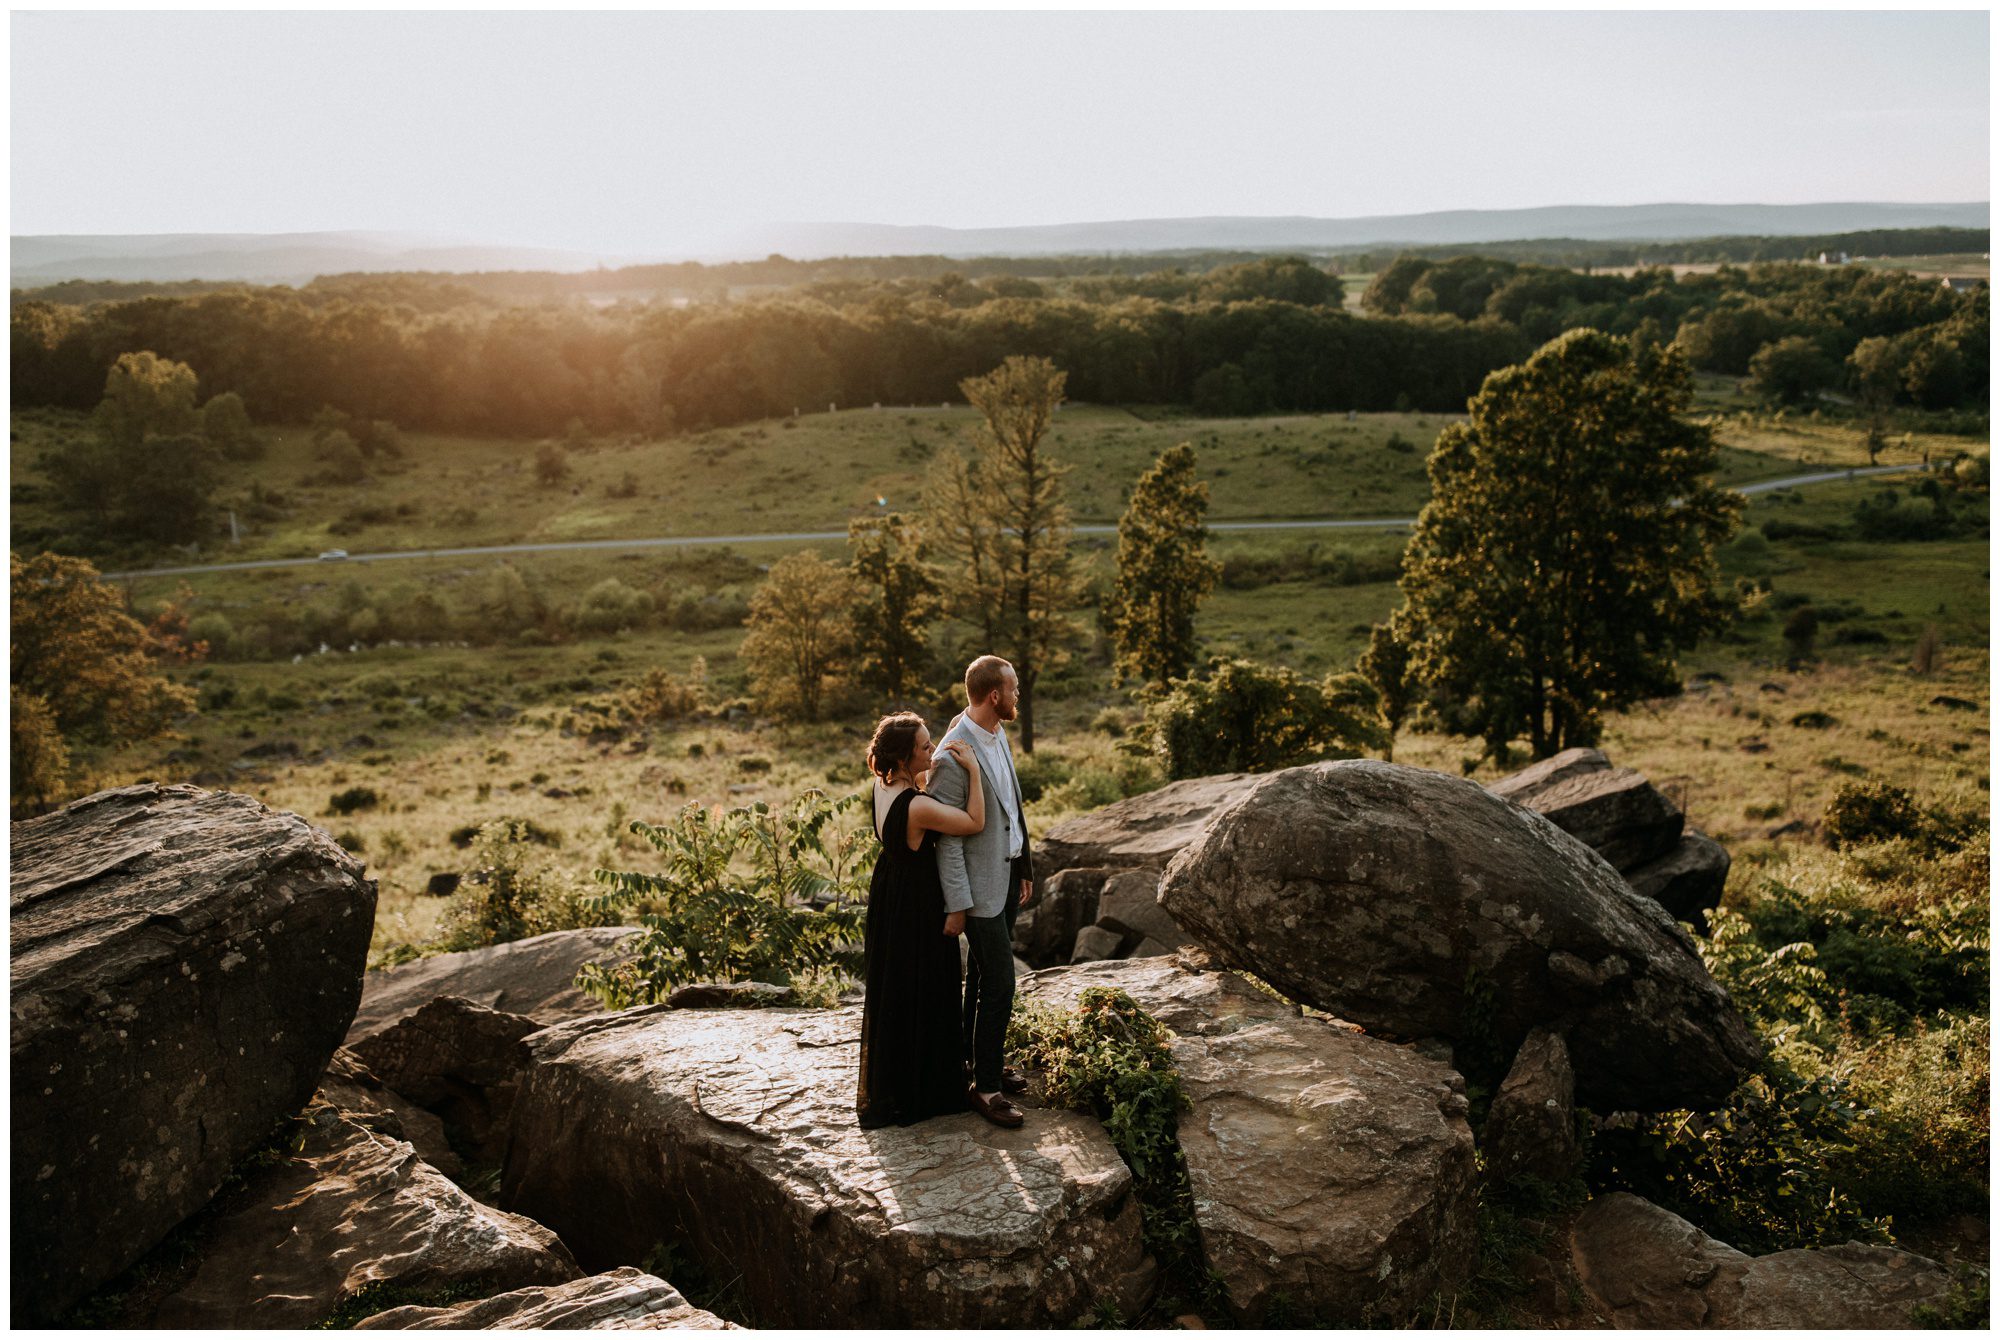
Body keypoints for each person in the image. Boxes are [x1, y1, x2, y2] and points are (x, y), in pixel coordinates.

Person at [855, 711, 985, 1129]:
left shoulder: (884, 786)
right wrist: (975, 773)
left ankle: (899, 1080)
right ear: (906, 756)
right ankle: (928, 1087)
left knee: (899, 986)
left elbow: (913, 803)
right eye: (926, 747)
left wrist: (924, 779)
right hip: (918, 902)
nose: (933, 749)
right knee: (929, 984)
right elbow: (973, 822)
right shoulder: (918, 808)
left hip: (890, 892)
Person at [927, 656, 1036, 1128]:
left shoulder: (993, 729)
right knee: (1002, 984)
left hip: (1008, 875)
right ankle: (986, 1088)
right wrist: (959, 903)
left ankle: (974, 1064)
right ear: (994, 695)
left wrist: (1024, 863)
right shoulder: (952, 754)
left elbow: (1011, 802)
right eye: (1013, 689)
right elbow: (946, 840)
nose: (1017, 696)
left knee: (983, 979)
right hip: (979, 891)